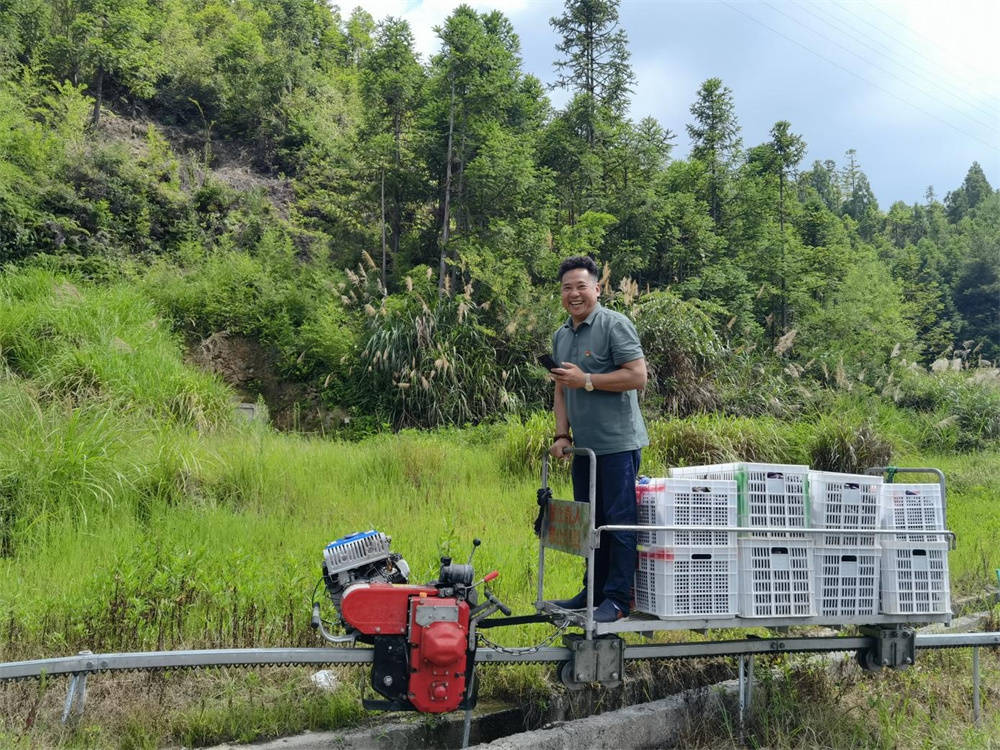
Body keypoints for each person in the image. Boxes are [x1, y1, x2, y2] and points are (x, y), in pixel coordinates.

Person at [546, 255, 649, 623]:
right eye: (566, 288)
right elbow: (561, 389)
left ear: (597, 289)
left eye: (580, 286)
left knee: (618, 523)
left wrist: (587, 380)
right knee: (590, 524)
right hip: (584, 450)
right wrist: (562, 434)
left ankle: (618, 599)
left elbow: (637, 376)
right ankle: (591, 592)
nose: (574, 294)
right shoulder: (562, 334)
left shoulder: (614, 325)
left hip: (618, 445)